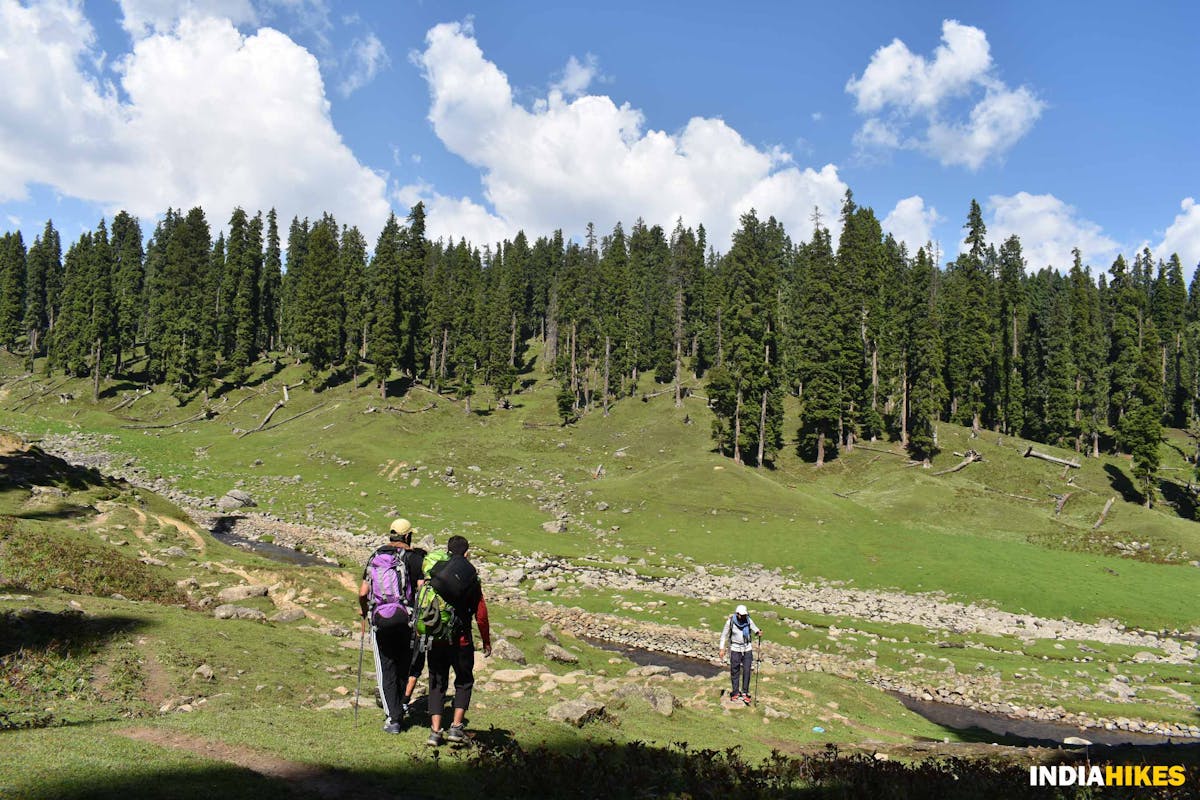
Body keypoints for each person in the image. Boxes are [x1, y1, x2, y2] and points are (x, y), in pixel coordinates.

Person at [358, 518, 424, 733]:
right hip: (406, 619)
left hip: (381, 619)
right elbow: (422, 589)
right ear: (408, 536)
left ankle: (393, 719)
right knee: (403, 665)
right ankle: (400, 708)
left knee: (385, 667)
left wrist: (363, 611)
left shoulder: (376, 555)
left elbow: (363, 592)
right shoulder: (415, 559)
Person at [426, 535, 491, 746]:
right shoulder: (472, 577)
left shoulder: (437, 572)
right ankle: (455, 728)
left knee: (437, 682)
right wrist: (486, 641)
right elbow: (481, 615)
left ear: (447, 550)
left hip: (436, 636)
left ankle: (435, 732)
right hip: (462, 639)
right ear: (466, 553)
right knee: (464, 680)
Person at [400, 546, 428, 716]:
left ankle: (392, 696)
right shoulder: (424, 584)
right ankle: (404, 701)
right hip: (418, 626)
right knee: (416, 665)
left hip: (398, 618)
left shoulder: (398, 578)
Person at [718, 604, 761, 705]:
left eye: (744, 615)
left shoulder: (748, 620)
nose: (743, 617)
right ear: (737, 614)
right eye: (742, 615)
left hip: (747, 648)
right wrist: (721, 649)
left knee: (747, 670)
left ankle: (745, 692)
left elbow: (755, 629)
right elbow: (723, 635)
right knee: (735, 670)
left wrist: (758, 632)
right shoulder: (730, 622)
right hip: (735, 648)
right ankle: (735, 692)